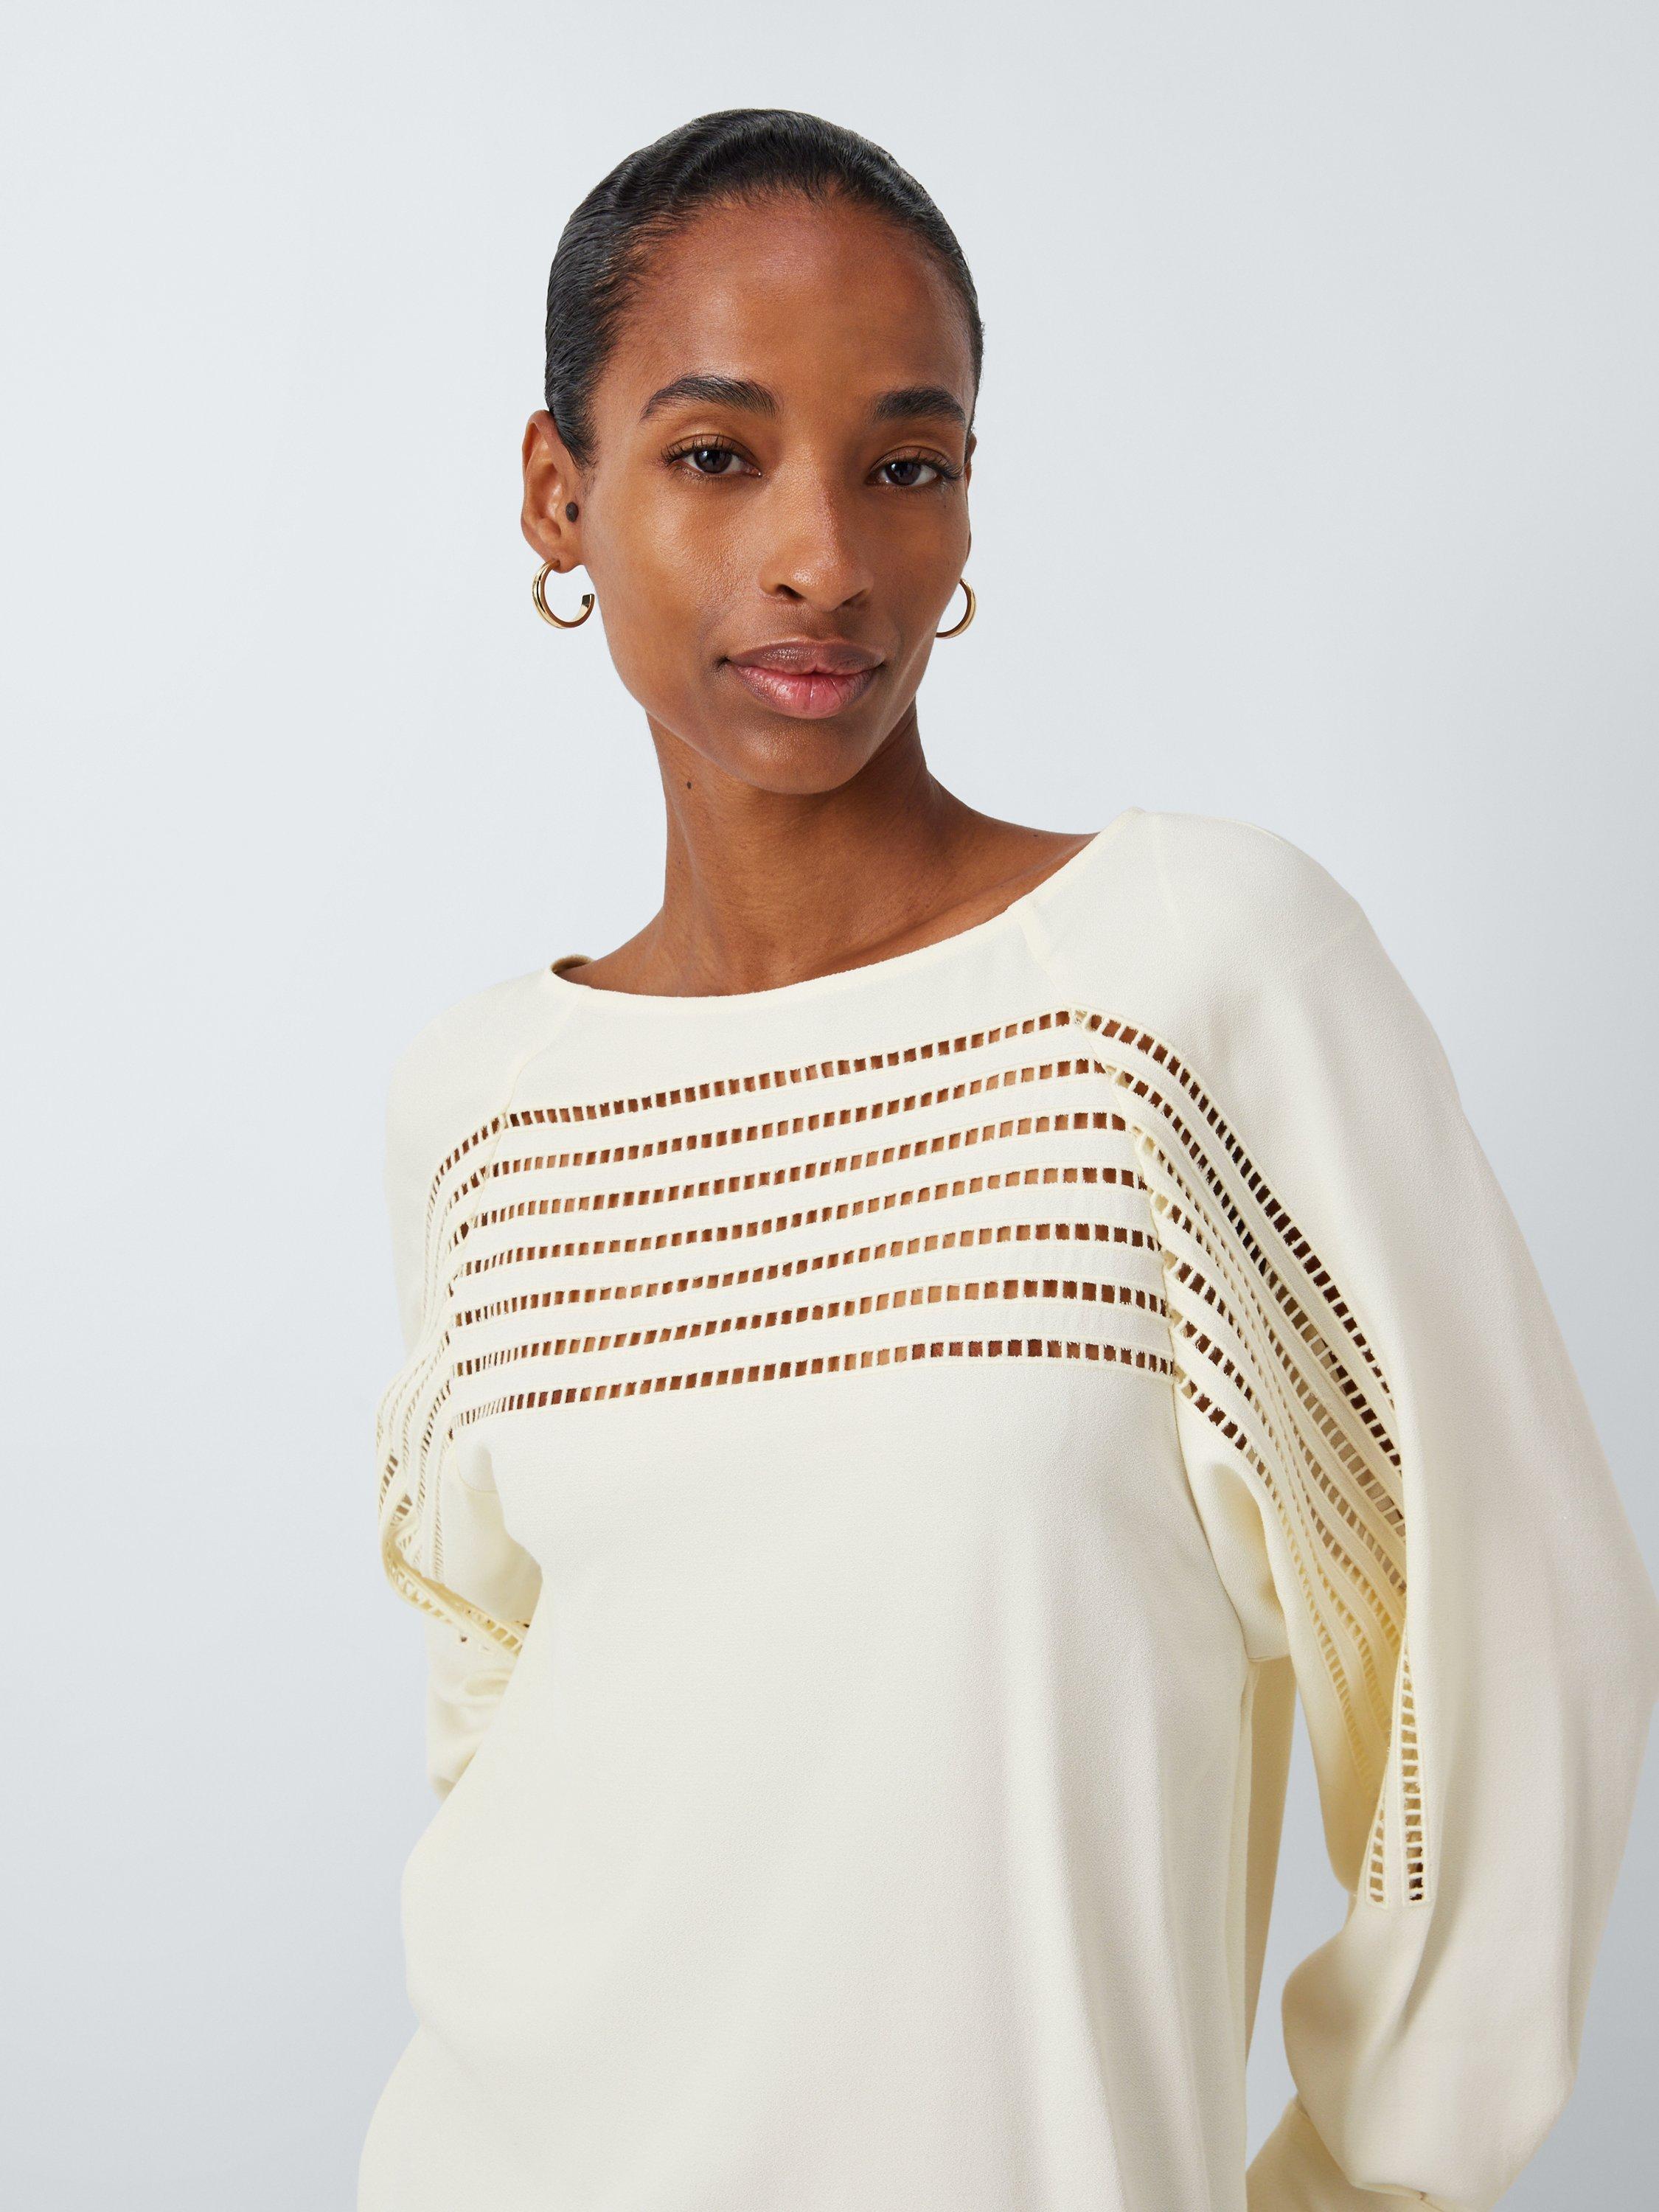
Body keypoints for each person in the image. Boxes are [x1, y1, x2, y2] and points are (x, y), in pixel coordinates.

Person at [358, 108, 1659, 2212]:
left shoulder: (1187, 983)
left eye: (907, 464)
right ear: (558, 491)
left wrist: (1367, 2182)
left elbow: (1519, 1651)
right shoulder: (483, 1103)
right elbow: (498, 1728)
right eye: (717, 454)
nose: (824, 556)